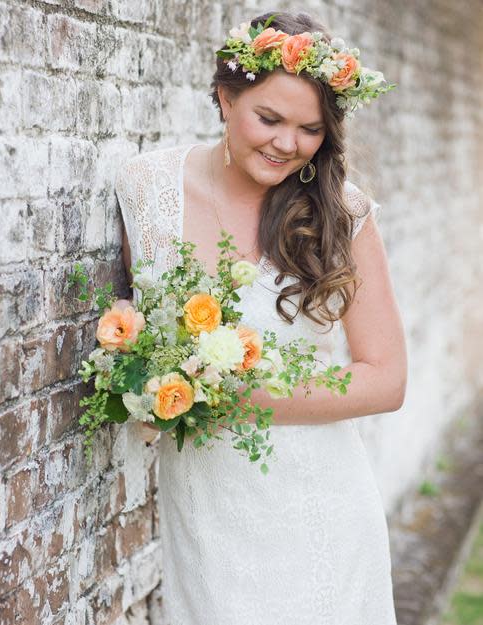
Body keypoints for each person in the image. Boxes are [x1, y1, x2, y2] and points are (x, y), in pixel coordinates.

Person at [115, 10, 407, 625]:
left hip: (320, 508)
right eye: (268, 118)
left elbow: (387, 379)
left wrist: (241, 397)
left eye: (309, 129)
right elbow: (135, 331)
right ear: (225, 97)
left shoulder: (340, 214)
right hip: (205, 509)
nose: (285, 143)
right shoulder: (143, 188)